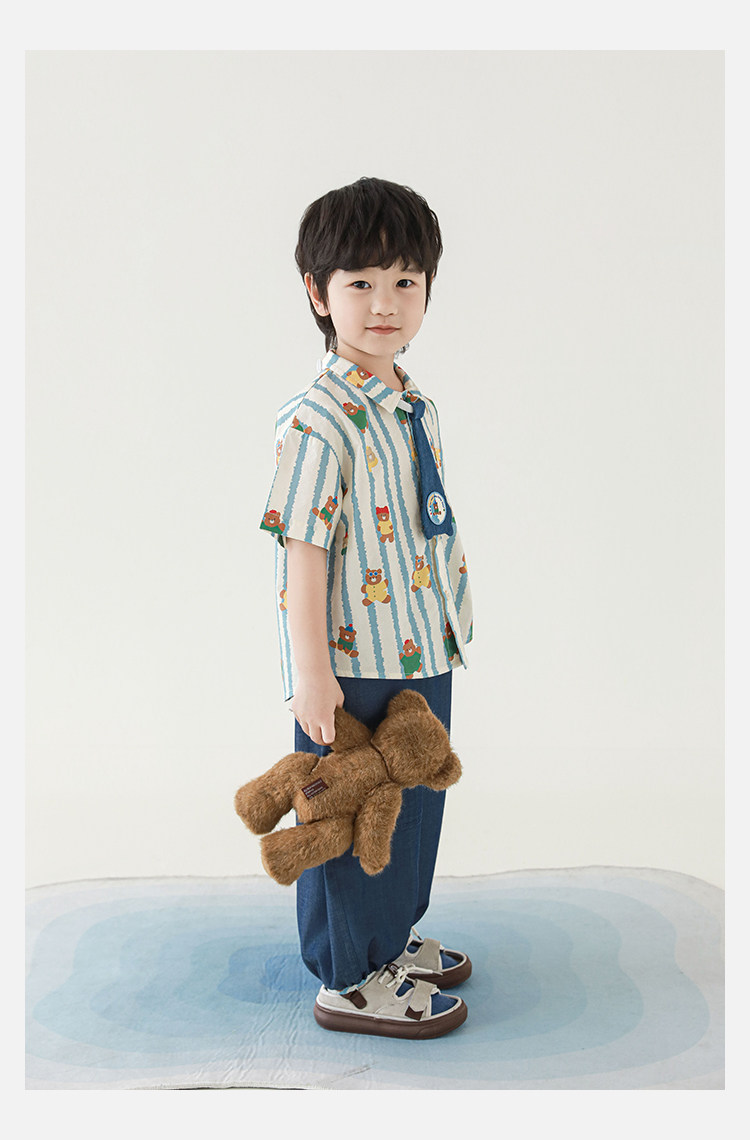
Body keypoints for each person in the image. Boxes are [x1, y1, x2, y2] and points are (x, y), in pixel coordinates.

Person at [259, 176, 474, 1038]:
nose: (384, 303)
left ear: (428, 288)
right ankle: (348, 975)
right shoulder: (319, 420)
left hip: (421, 646)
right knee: (349, 815)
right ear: (318, 293)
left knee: (412, 811)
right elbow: (302, 550)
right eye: (360, 282)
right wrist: (312, 676)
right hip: (353, 663)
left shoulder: (411, 406)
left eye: (404, 281)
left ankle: (392, 940)